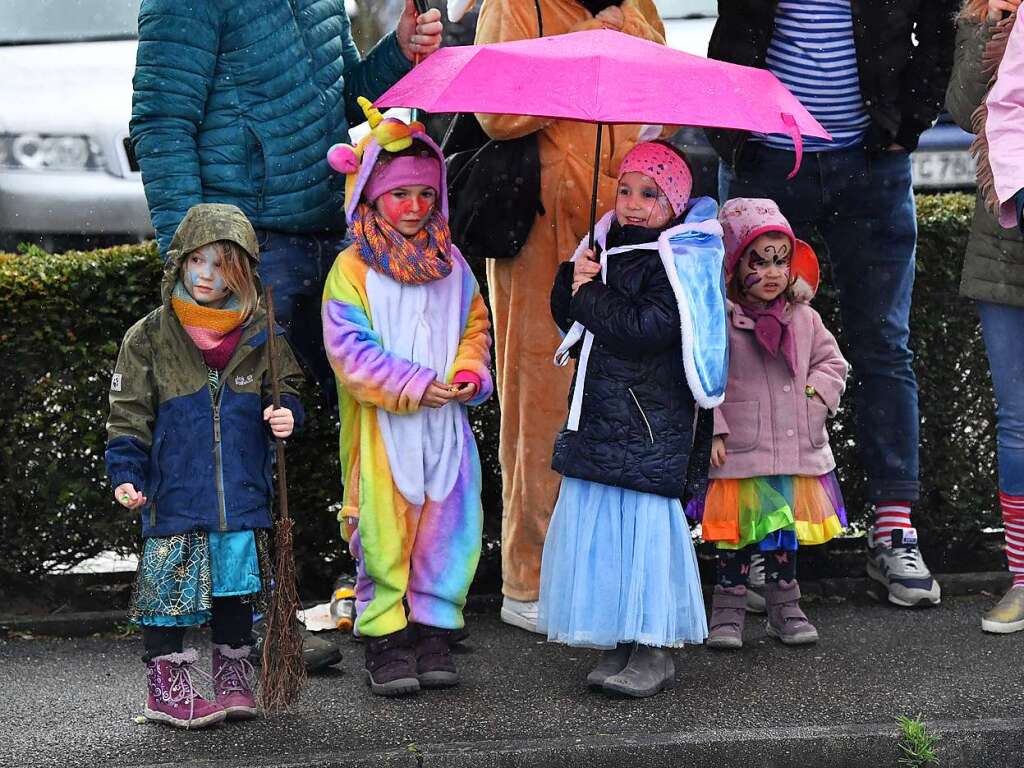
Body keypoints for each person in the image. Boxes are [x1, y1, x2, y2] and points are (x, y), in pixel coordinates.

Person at [708, 0, 958, 607]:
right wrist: (731, 135)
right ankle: (765, 538)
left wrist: (909, 123)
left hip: (869, 159)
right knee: (749, 347)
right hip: (766, 158)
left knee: (882, 346)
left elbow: (941, 21)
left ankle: (893, 529)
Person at [130, 0, 443, 397]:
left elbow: (341, 98)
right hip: (248, 248)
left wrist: (398, 49)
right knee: (248, 422)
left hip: (332, 234)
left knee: (358, 409)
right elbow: (162, 128)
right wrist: (192, 256)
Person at [473, 0, 667, 634]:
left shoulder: (637, 4)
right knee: (541, 410)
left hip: (624, 234)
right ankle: (529, 577)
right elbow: (496, 108)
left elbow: (660, 98)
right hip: (538, 241)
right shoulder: (514, 4)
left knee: (619, 410)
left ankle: (603, 575)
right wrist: (587, 45)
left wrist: (626, 35)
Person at [105, 203, 305, 729]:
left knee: (234, 588)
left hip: (241, 495)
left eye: (221, 264)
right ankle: (165, 684)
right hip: (175, 497)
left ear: (241, 271)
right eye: (196, 260)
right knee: (168, 593)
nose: (206, 275)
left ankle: (233, 674)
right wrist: (126, 474)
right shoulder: (148, 337)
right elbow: (127, 417)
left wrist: (286, 415)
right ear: (179, 264)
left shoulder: (264, 335)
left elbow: (290, 390)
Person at [321, 102, 493, 697]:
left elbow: (476, 326)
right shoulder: (351, 270)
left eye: (426, 195)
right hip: (384, 433)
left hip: (445, 429)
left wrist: (470, 372)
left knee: (448, 527)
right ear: (370, 197)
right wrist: (415, 385)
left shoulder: (455, 265)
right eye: (401, 195)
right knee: (383, 531)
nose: (415, 207)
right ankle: (385, 638)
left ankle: (435, 628)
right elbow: (350, 353)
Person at [541, 141, 719, 698]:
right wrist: (572, 277)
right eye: (625, 190)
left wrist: (590, 293)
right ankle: (622, 634)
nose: (633, 204)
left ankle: (653, 645)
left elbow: (647, 328)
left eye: (650, 193)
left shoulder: (675, 258)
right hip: (604, 415)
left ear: (674, 204)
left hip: (648, 421)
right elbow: (569, 313)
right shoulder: (603, 244)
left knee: (643, 531)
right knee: (608, 530)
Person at [688, 198, 849, 649]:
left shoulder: (804, 318)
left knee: (783, 536)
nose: (772, 273)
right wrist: (714, 427)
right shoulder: (720, 319)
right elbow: (704, 375)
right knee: (734, 539)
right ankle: (727, 611)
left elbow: (831, 363)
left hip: (794, 449)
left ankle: (786, 607)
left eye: (781, 261)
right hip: (741, 448)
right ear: (736, 265)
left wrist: (815, 397)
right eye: (758, 262)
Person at [948, 0, 1024, 633]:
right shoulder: (983, 17)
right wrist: (990, 30)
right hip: (1004, 241)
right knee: (1017, 421)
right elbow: (960, 105)